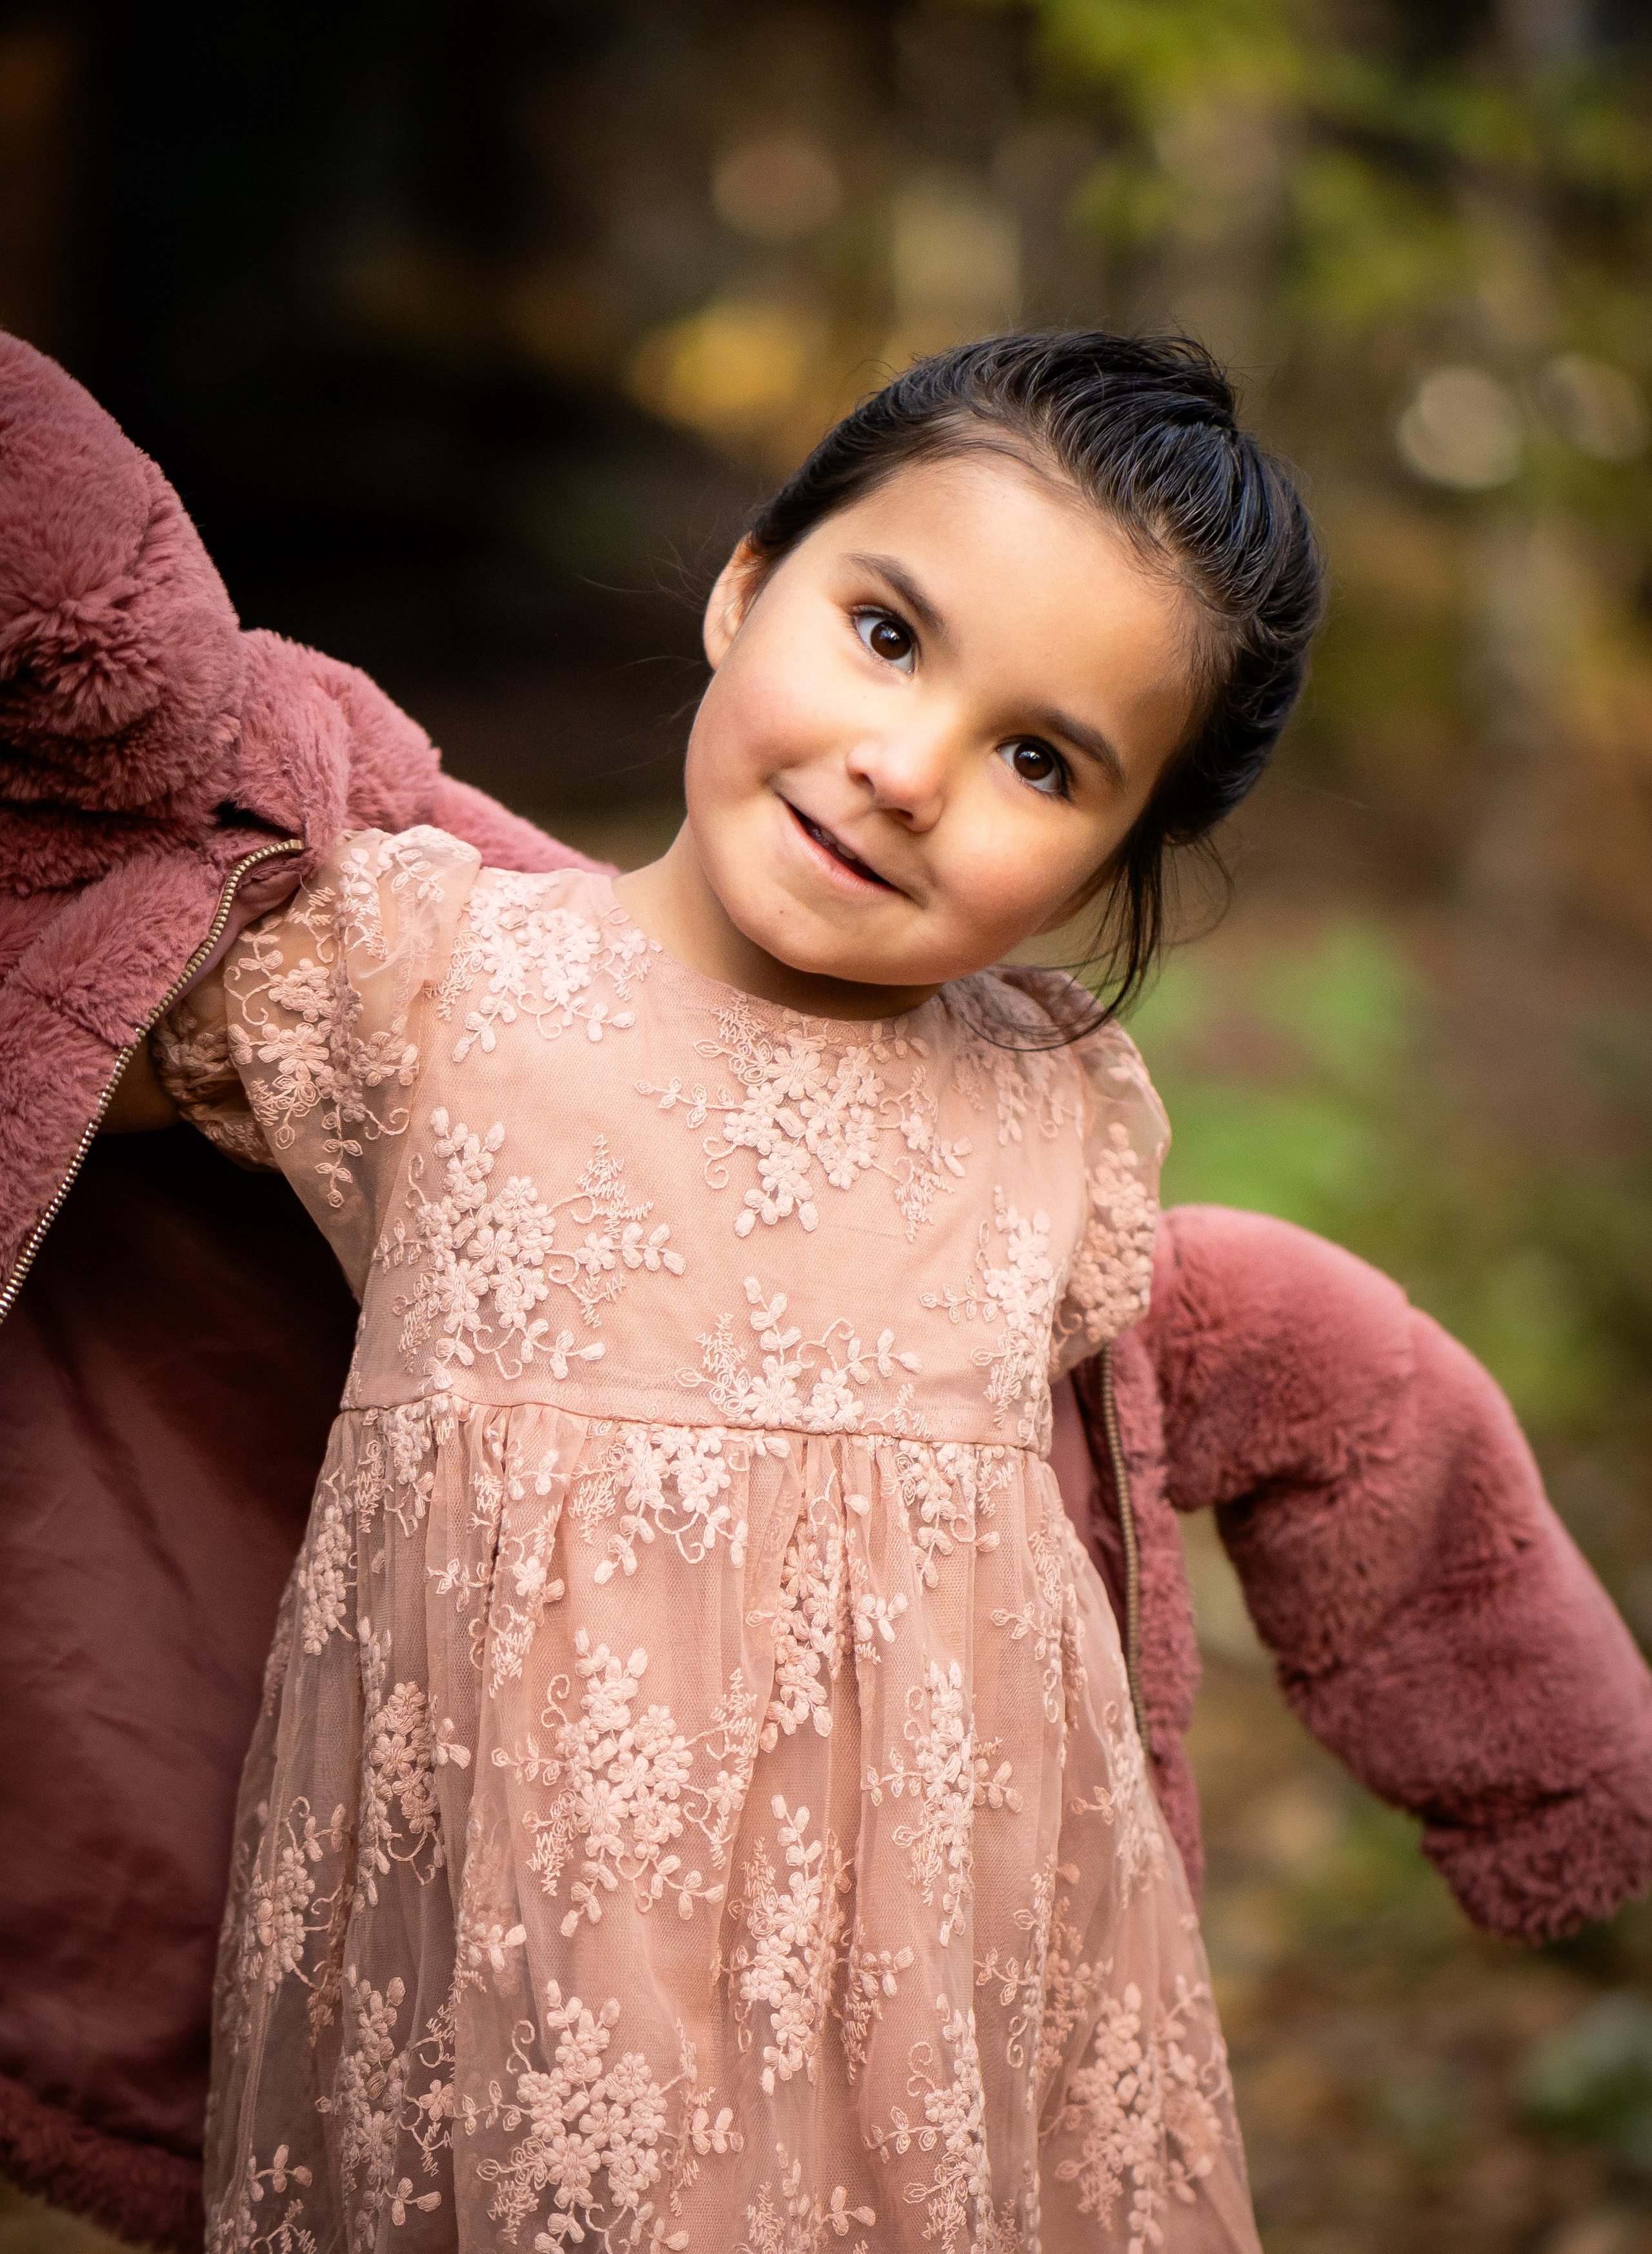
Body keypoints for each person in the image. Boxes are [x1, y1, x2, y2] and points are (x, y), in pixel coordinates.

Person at [130, 333, 1320, 2252]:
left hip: (929, 2027)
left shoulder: (1055, 1116)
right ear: (745, 581)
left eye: (1042, 760)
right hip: (513, 1995)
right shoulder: (423, 979)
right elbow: (60, 1043)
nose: (907, 767)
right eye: (884, 631)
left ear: (1118, 853)